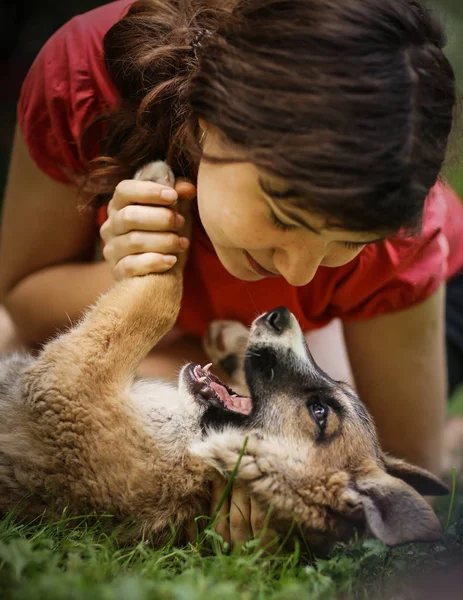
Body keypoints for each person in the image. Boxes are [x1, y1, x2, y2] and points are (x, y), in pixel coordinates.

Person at [1, 0, 463, 547]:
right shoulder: (82, 78)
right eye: (283, 217)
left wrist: (276, 472)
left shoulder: (394, 236)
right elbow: (19, 307)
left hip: (357, 320)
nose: (299, 269)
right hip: (189, 329)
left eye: (347, 241)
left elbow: (393, 465)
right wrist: (129, 272)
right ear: (206, 123)